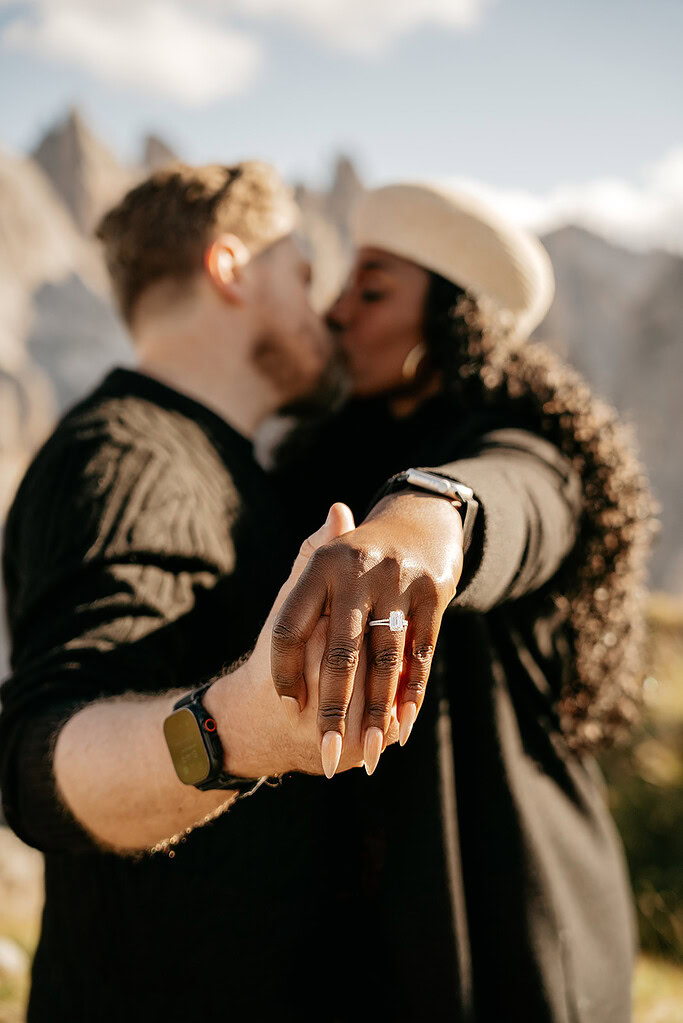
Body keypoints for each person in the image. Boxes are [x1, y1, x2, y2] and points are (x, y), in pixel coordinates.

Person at [0, 162, 455, 1021]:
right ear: (231, 268)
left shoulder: (227, 461)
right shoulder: (125, 457)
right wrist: (238, 727)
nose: (323, 314)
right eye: (302, 274)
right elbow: (38, 756)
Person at [269, 183, 658, 1021]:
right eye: (341, 285)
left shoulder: (529, 444)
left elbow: (516, 500)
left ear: (453, 318)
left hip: (511, 917)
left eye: (372, 290)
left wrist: (427, 520)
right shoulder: (328, 454)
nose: (337, 312)